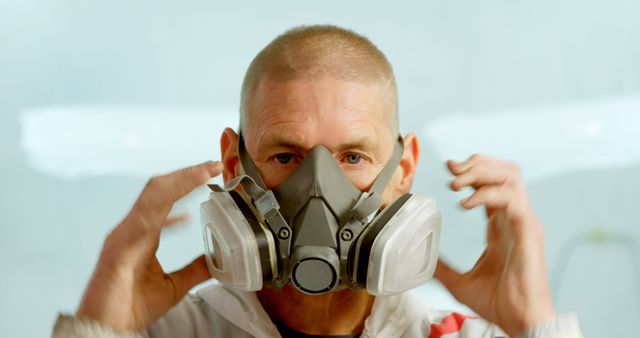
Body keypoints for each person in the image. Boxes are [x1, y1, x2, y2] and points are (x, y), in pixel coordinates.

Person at [52, 25, 582, 338]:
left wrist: (533, 324)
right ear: (233, 163)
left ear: (402, 169)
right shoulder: (162, 332)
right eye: (286, 155)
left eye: (352, 156)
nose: (318, 188)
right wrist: (102, 323)